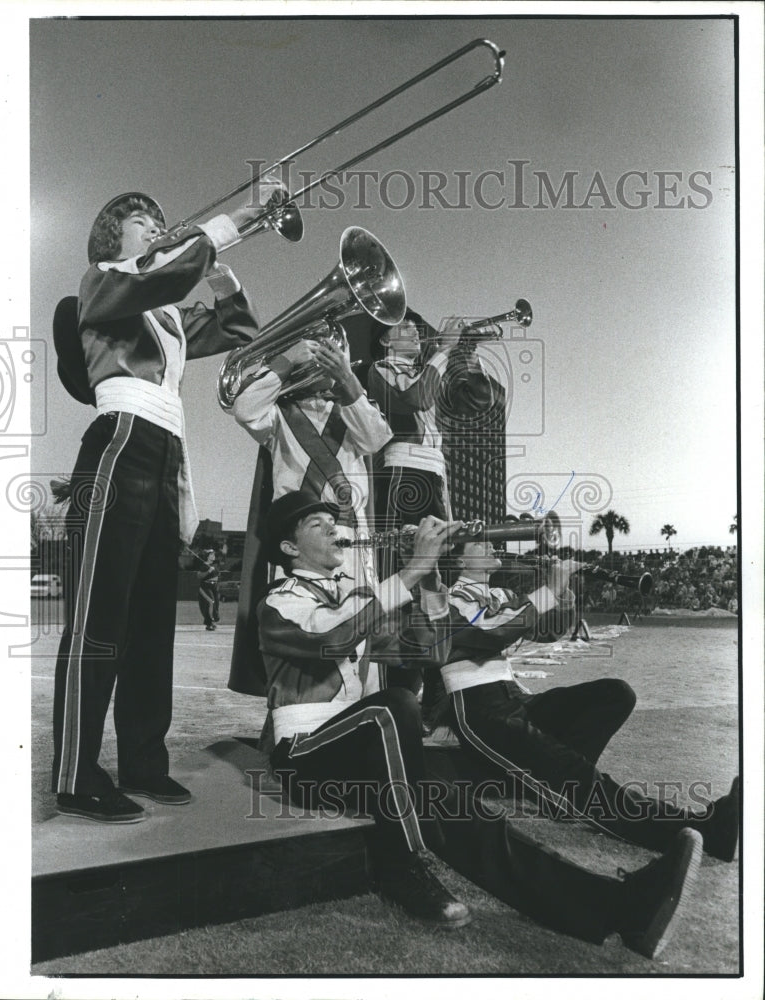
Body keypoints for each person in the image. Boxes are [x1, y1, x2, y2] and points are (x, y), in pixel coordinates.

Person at [254, 490, 706, 959]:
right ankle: (401, 863)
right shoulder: (280, 602)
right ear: (290, 550)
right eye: (317, 525)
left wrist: (427, 574)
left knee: (470, 816)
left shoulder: (361, 596)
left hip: (372, 752)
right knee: (394, 705)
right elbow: (328, 636)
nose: (335, 529)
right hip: (304, 755)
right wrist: (408, 571)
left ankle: (620, 908)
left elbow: (430, 651)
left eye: (334, 520)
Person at [51, 179, 281, 823]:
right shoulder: (100, 280)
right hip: (119, 442)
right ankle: (74, 773)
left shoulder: (164, 312)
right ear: (111, 236)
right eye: (139, 220)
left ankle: (143, 763)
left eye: (157, 219)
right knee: (100, 619)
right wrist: (225, 225)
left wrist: (226, 277)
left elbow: (241, 330)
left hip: (165, 448)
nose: (154, 225)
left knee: (152, 621)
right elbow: (159, 281)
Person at [430, 538, 740, 861]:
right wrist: (547, 590)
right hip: (479, 710)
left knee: (616, 694)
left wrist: (561, 592)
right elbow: (491, 630)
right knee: (575, 771)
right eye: (479, 546)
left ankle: (562, 796)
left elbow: (548, 631)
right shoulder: (450, 601)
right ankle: (705, 830)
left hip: (515, 697)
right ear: (461, 563)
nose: (491, 547)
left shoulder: (501, 595)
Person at [227, 334, 393, 696]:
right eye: (317, 355)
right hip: (301, 541)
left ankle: (365, 708)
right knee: (306, 627)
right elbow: (243, 409)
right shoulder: (278, 414)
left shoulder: (351, 407)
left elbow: (377, 438)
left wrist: (348, 379)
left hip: (352, 537)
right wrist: (285, 361)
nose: (324, 361)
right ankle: (300, 712)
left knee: (361, 625)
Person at [368, 309, 498, 717]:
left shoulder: (431, 370)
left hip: (435, 474)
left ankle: (439, 688)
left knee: (436, 584)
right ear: (385, 341)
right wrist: (443, 352)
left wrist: (468, 358)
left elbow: (480, 400)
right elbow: (411, 400)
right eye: (402, 327)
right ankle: (400, 691)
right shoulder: (377, 368)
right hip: (403, 474)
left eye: (414, 328)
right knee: (405, 579)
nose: (412, 331)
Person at [197, 549, 220, 631]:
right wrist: (208, 571)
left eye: (214, 554)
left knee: (216, 604)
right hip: (205, 586)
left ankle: (210, 623)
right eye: (211, 554)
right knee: (211, 602)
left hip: (214, 586)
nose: (213, 556)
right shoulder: (204, 565)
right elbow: (199, 576)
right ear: (207, 556)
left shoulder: (215, 564)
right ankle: (211, 622)